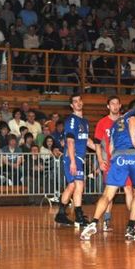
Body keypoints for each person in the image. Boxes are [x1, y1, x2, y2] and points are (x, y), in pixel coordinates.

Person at [81, 100, 135, 241]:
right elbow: (133, 121)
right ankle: (130, 227)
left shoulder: (115, 124)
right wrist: (134, 142)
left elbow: (110, 147)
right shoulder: (134, 115)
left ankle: (94, 222)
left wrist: (114, 161)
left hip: (118, 158)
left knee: (107, 194)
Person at [93, 95, 134, 232]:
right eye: (112, 103)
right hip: (110, 162)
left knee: (129, 189)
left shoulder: (126, 121)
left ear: (120, 106)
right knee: (109, 193)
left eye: (117, 103)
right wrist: (100, 160)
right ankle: (106, 220)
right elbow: (97, 143)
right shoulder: (102, 122)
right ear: (108, 106)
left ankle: (133, 220)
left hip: (125, 161)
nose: (115, 106)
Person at [55, 94, 94, 227]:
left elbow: (86, 140)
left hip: (78, 158)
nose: (78, 103)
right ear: (71, 105)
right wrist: (72, 161)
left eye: (80, 100)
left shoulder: (85, 121)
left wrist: (100, 149)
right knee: (79, 185)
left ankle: (60, 214)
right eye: (75, 101)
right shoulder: (71, 120)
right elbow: (70, 142)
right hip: (73, 156)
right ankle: (79, 216)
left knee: (72, 186)